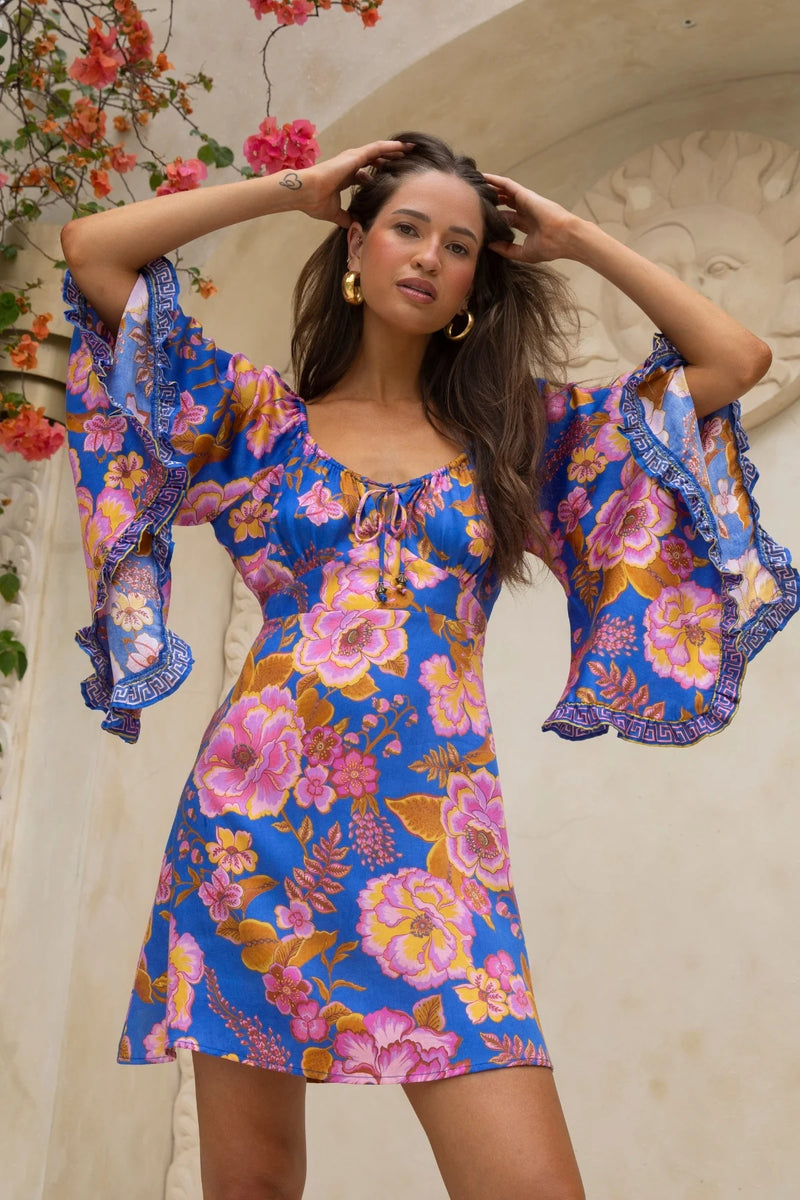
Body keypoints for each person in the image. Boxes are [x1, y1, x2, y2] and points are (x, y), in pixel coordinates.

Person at [61, 132, 798, 1200]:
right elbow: (93, 252)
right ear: (357, 247)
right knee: (253, 1185)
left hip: (433, 847)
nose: (427, 256)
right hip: (252, 825)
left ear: (472, 283)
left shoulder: (516, 441)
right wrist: (295, 189)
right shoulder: (261, 424)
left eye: (458, 245)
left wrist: (577, 239)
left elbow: (732, 360)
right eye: (406, 228)